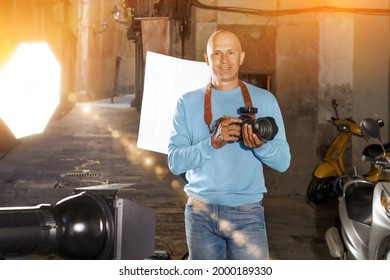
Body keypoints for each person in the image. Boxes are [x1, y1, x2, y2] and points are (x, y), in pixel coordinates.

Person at [167, 30, 291, 260]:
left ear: (241, 57)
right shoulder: (186, 102)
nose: (224, 60)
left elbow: (283, 162)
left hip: (247, 212)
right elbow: (175, 162)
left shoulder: (264, 100)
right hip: (200, 212)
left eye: (231, 52)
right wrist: (213, 143)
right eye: (217, 53)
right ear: (206, 58)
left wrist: (260, 146)